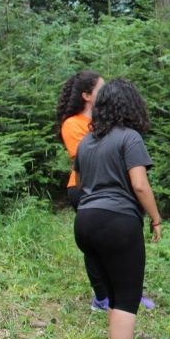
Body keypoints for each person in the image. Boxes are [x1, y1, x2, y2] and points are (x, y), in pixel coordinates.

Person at [73, 78, 163, 339]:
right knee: (128, 297)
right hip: (117, 222)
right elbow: (139, 185)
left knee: (114, 298)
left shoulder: (86, 143)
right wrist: (155, 217)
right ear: (131, 105)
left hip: (84, 221)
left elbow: (82, 183)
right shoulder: (129, 138)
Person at [57, 72, 154, 314]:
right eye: (101, 89)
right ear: (87, 96)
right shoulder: (75, 125)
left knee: (113, 244)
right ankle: (103, 295)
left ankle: (123, 292)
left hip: (111, 188)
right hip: (87, 187)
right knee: (99, 238)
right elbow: (85, 158)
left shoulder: (112, 127)